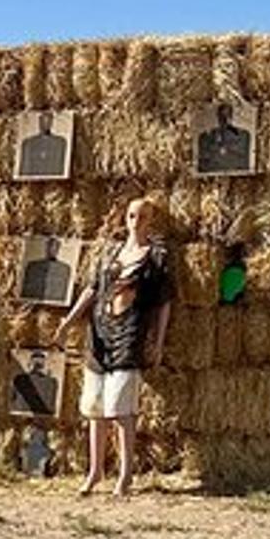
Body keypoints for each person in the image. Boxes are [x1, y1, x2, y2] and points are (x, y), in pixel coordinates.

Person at [53, 196, 173, 496]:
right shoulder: (111, 252)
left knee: (121, 409)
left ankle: (125, 476)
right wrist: (68, 323)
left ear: (151, 221)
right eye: (132, 215)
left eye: (142, 217)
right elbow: (92, 289)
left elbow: (164, 303)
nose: (135, 222)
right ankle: (95, 473)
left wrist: (158, 342)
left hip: (130, 333)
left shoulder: (156, 257)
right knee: (95, 407)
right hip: (100, 333)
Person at [196, 102, 254, 175]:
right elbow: (204, 162)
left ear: (231, 116)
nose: (224, 119)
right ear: (218, 116)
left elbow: (241, 160)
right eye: (222, 116)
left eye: (227, 116)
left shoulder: (243, 135)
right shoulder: (206, 137)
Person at [20, 236, 74, 305]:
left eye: (55, 247)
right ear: (46, 247)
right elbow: (27, 291)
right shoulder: (33, 266)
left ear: (58, 249)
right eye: (50, 246)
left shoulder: (64, 269)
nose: (52, 250)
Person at [18, 110, 69, 179]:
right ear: (39, 121)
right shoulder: (28, 143)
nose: (46, 123)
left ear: (51, 122)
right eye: (43, 120)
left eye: (49, 120)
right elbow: (24, 169)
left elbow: (59, 167)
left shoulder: (60, 143)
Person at [10, 348, 61, 417]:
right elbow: (52, 407)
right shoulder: (52, 382)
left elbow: (12, 400)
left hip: (21, 415)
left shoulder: (19, 379)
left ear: (30, 363)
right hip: (41, 417)